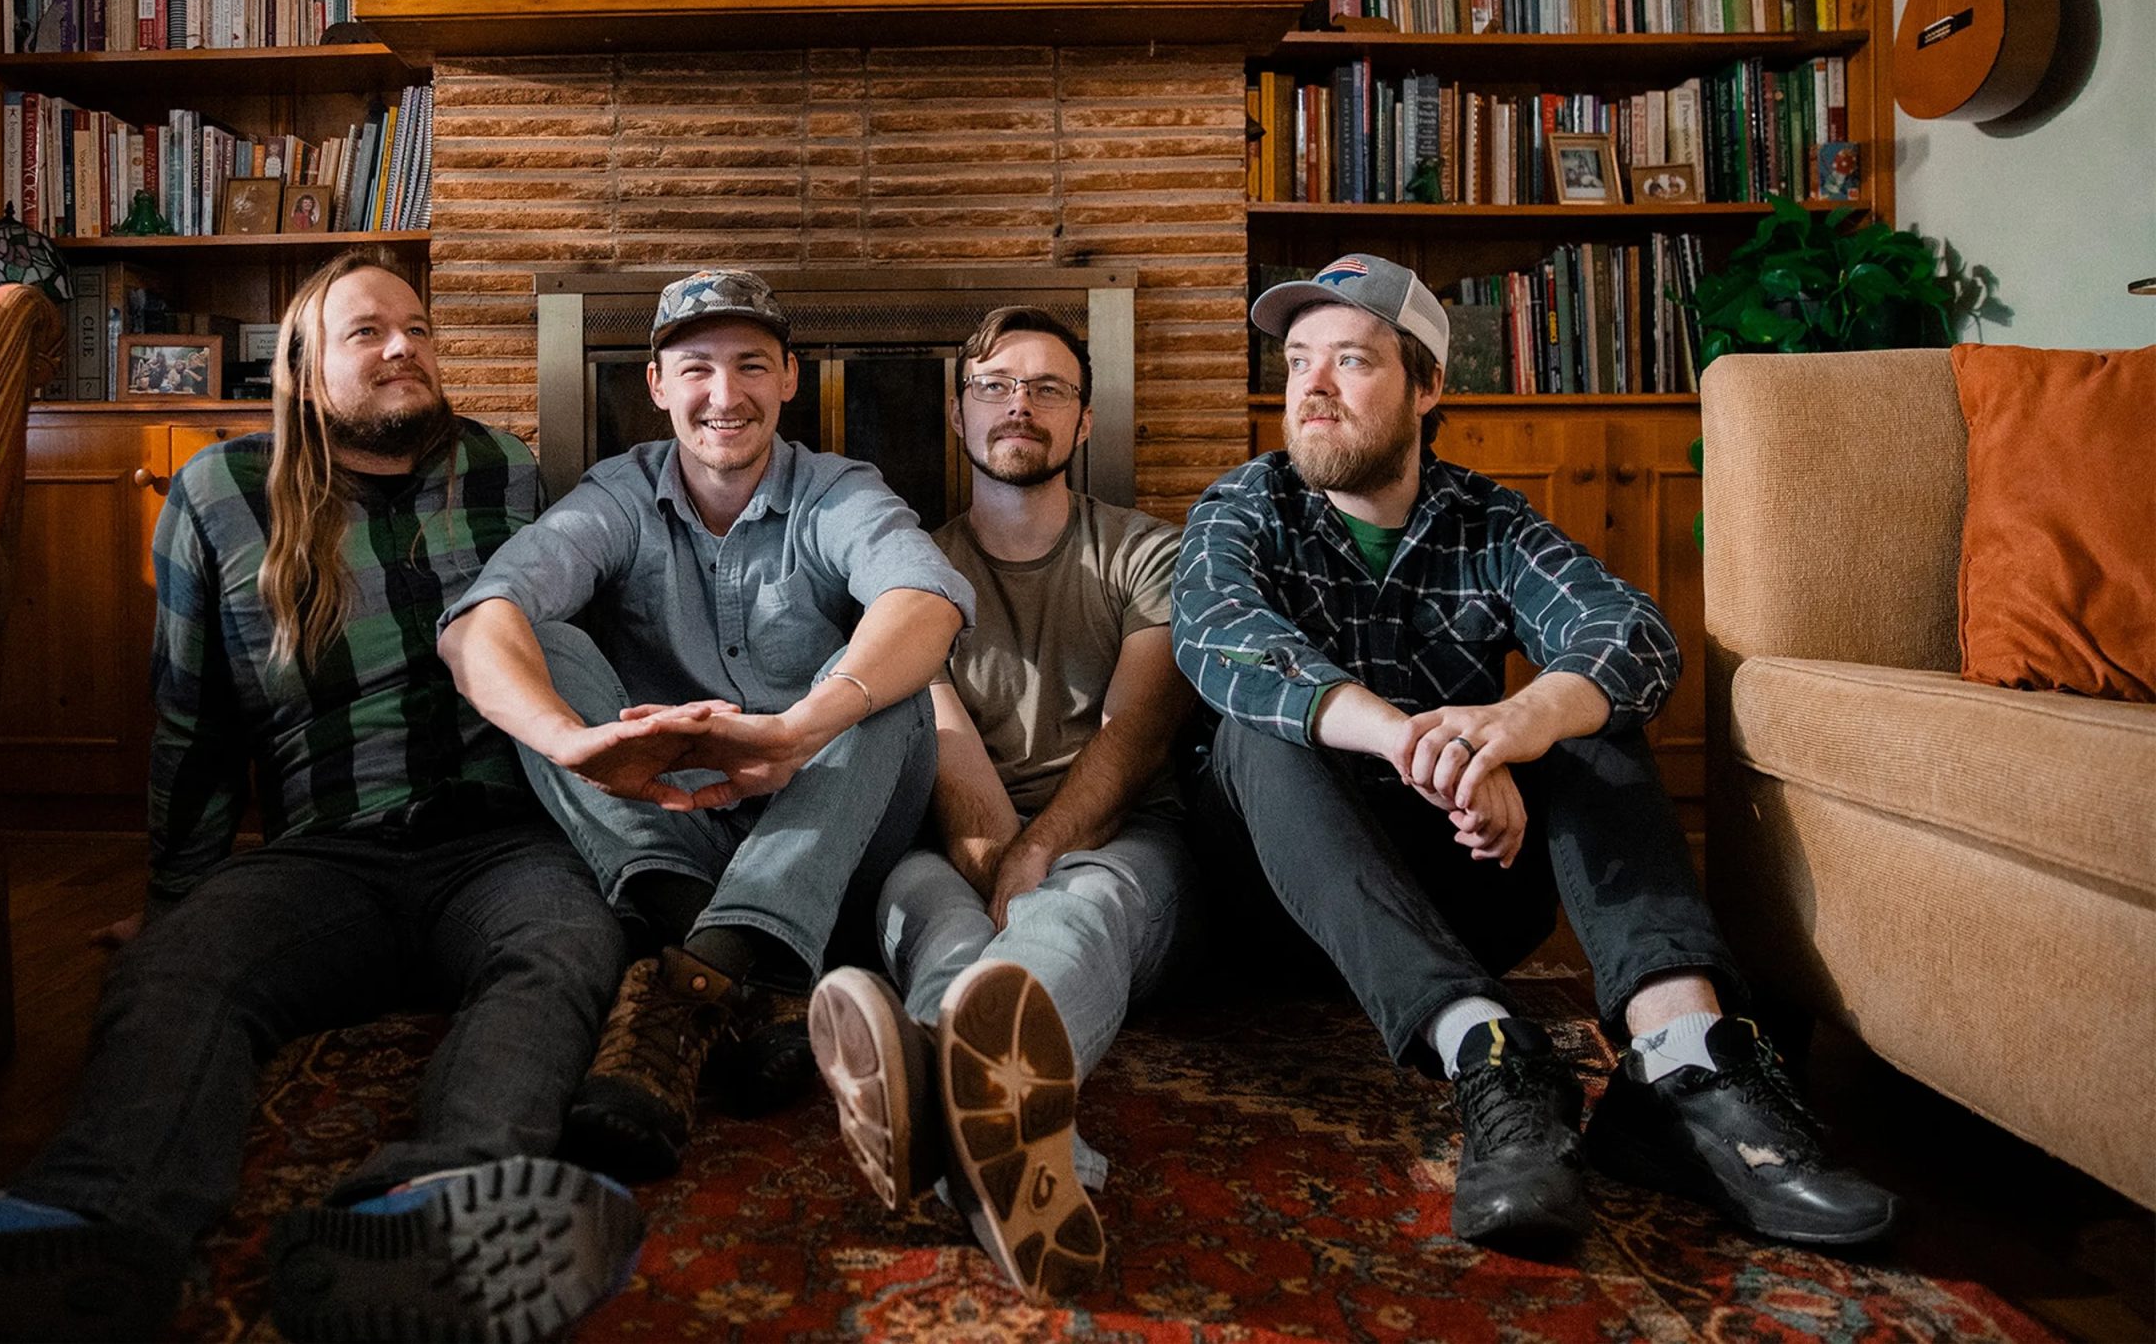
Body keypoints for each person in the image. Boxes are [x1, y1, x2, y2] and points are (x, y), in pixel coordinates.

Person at [0, 255, 646, 1344]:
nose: (404, 347)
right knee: (177, 969)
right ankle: (82, 1225)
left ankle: (439, 1214)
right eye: (368, 332)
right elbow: (193, 712)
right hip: (324, 854)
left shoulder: (509, 471)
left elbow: (589, 652)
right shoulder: (221, 491)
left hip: (504, 842)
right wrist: (181, 889)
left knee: (561, 955)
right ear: (305, 366)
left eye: (417, 327)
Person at [1173, 253, 1897, 1256]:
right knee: (1259, 724)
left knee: (1591, 716)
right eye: (1298, 361)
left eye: (1350, 360)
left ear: (1428, 388)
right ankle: (1491, 1052)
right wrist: (1418, 741)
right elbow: (1216, 635)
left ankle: (1682, 1064)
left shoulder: (1491, 521)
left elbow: (1631, 633)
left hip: (1468, 888)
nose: (1314, 388)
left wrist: (1518, 723)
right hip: (1275, 905)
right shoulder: (1246, 507)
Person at [438, 269, 974, 1185]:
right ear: (656, 384)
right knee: (538, 641)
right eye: (696, 369)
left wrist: (801, 729)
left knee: (887, 684)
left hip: (827, 826)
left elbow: (924, 599)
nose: (724, 396)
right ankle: (747, 975)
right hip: (668, 815)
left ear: (789, 379)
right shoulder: (615, 495)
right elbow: (479, 619)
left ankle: (686, 982)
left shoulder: (839, 489)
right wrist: (571, 745)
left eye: (751, 366)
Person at [809, 306, 1198, 1304]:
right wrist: (995, 863)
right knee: (933, 918)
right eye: (992, 386)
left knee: (1080, 908)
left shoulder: (1149, 554)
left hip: (1115, 839)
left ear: (1082, 422)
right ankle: (1015, 1159)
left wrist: (1040, 859)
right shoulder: (911, 580)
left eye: (1046, 388)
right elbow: (950, 760)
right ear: (957, 415)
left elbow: (1134, 737)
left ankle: (933, 1112)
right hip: (957, 841)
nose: (1016, 405)